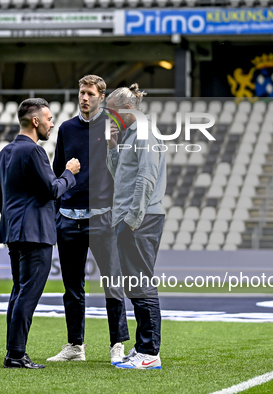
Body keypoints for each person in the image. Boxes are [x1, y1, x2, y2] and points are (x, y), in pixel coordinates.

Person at [48, 75, 130, 365]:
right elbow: (58, 171)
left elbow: (123, 170)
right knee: (72, 287)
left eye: (90, 94)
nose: (84, 98)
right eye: (81, 92)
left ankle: (117, 344)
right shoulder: (67, 129)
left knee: (112, 282)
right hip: (69, 219)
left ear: (101, 98)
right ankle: (75, 346)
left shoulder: (113, 127)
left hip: (102, 219)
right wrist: (58, 210)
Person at [0, 98, 81, 369]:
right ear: (36, 121)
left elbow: (1, 198)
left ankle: (14, 351)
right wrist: (69, 173)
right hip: (36, 233)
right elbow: (53, 189)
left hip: (13, 231)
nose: (52, 123)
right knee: (29, 293)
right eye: (49, 118)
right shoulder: (35, 152)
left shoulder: (4, 153)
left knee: (19, 291)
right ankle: (16, 354)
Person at [106, 84, 166, 370]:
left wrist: (132, 218)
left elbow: (146, 177)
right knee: (135, 284)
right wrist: (112, 148)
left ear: (127, 110)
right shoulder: (130, 134)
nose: (109, 118)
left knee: (141, 283)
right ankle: (143, 347)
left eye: (111, 112)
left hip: (140, 218)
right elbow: (121, 175)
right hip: (130, 217)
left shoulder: (144, 132)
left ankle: (150, 352)